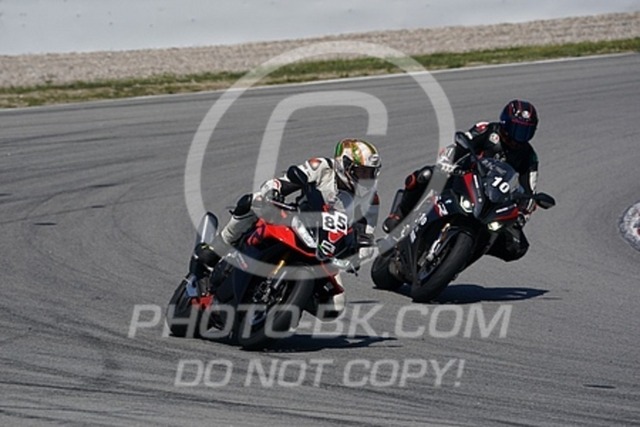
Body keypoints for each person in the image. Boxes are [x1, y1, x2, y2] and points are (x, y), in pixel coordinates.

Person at [191, 138, 383, 282]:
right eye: (361, 172)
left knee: (336, 306)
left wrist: (361, 254)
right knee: (253, 201)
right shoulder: (322, 167)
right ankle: (217, 246)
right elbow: (284, 181)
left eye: (370, 173)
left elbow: (367, 236)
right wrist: (273, 191)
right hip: (298, 221)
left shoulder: (371, 200)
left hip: (327, 250)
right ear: (344, 165)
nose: (366, 178)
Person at [382, 99, 540, 262]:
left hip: (492, 199)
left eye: (525, 132)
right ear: (505, 122)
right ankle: (399, 215)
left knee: (517, 246)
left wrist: (522, 214)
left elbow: (530, 190)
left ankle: (463, 256)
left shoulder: (529, 156)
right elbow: (462, 143)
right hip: (463, 177)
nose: (518, 137)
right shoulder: (488, 130)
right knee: (426, 175)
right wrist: (447, 162)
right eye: (516, 129)